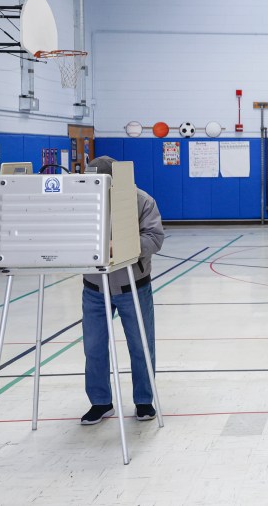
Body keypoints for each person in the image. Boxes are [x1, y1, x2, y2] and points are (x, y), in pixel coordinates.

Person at [79, 156, 165, 425]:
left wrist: (124, 245)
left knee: (140, 345)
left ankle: (143, 401)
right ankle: (100, 402)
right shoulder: (83, 201)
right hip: (94, 287)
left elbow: (155, 237)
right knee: (93, 347)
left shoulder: (141, 200)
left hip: (133, 285)